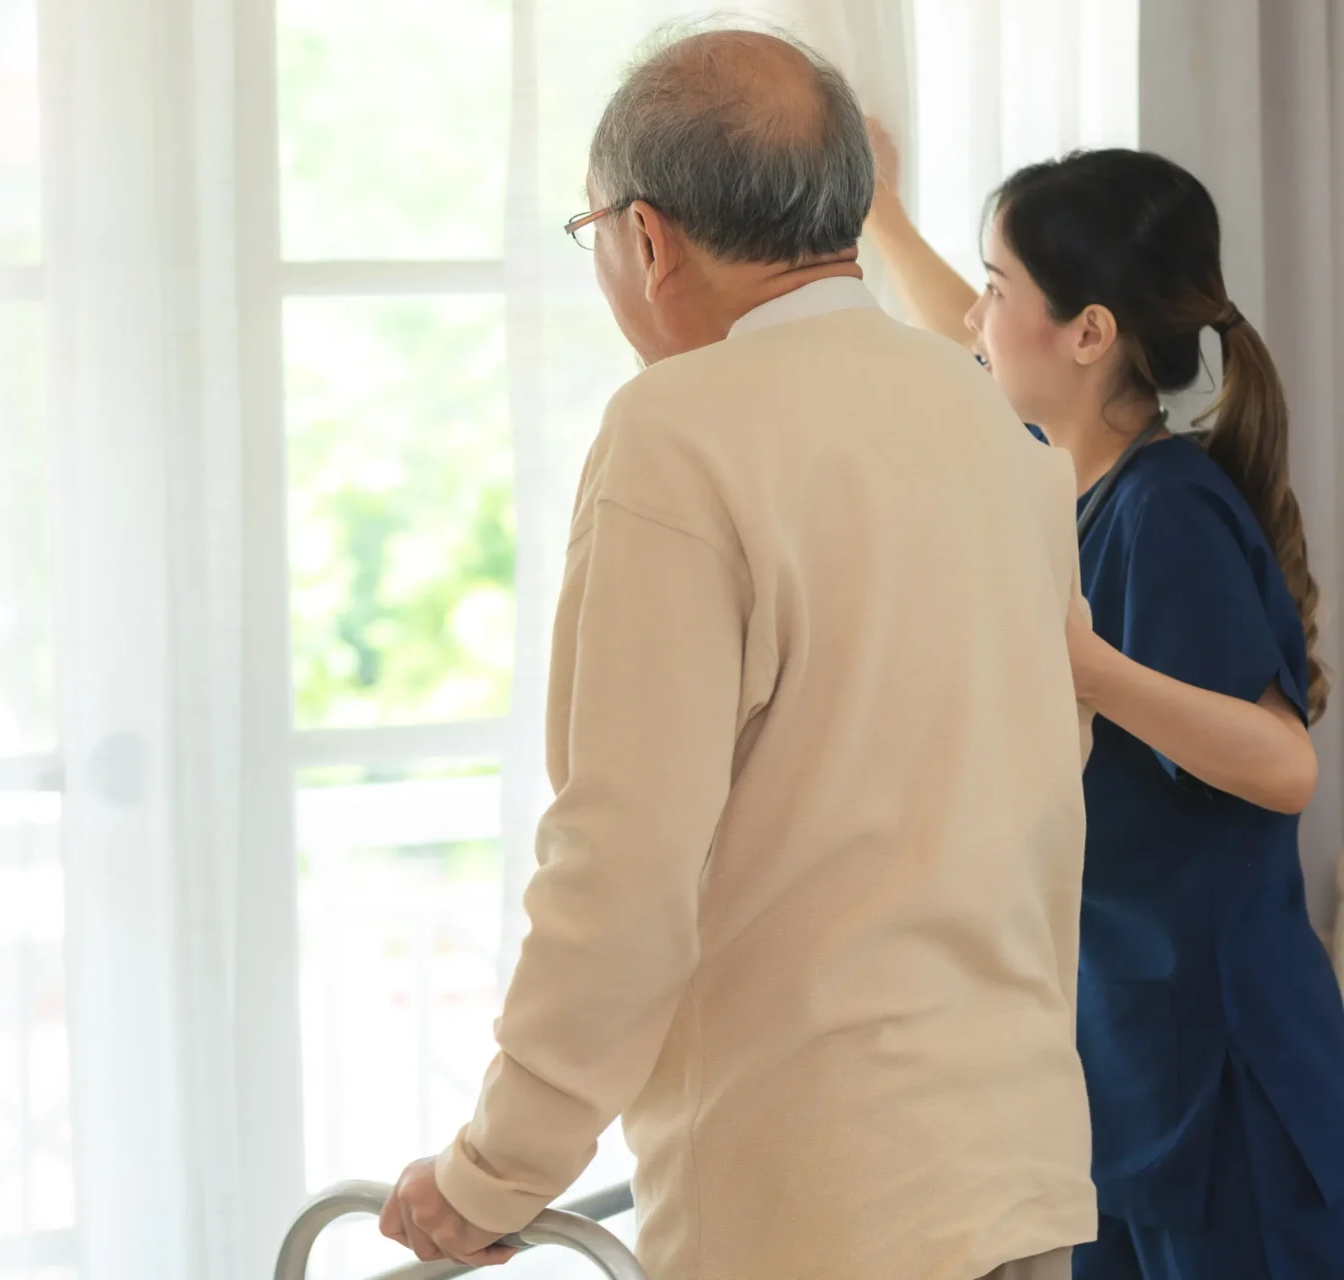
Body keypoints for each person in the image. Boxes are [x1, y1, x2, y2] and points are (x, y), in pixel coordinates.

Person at [376, 29, 1097, 1280]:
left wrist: (497, 1166)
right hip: (1014, 1176)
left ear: (645, 237)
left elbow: (625, 858)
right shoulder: (990, 420)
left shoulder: (679, 431)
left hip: (815, 1199)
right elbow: (1036, 775)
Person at [866, 126, 1344, 1279]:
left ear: (1088, 334)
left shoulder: (1165, 513)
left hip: (1220, 1074)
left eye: (1000, 291)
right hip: (1124, 1046)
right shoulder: (1073, 475)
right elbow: (963, 326)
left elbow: (1284, 765)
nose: (975, 318)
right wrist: (882, 213)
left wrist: (1090, 669)